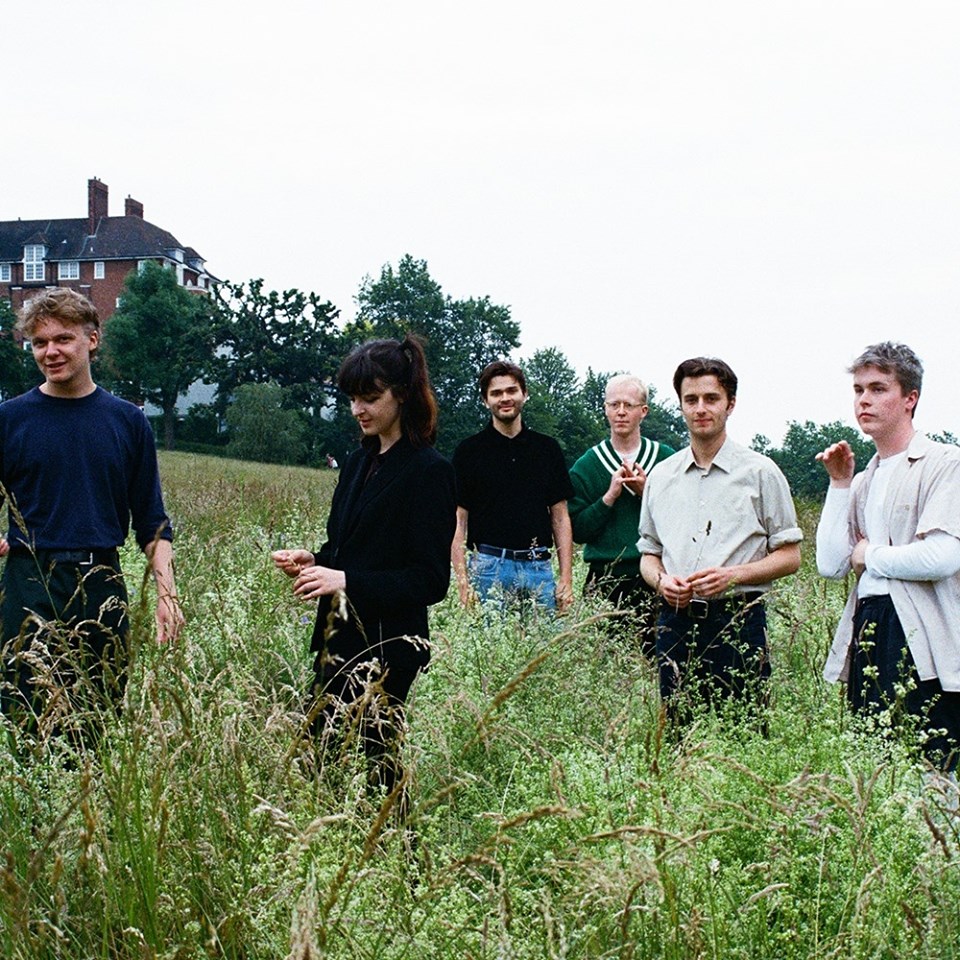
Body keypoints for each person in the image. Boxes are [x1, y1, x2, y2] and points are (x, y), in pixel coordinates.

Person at [272, 336, 455, 793]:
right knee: (318, 761)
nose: (358, 408)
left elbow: (431, 580)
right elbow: (348, 547)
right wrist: (314, 558)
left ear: (404, 394)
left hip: (390, 644)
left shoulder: (430, 471)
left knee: (380, 767)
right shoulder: (357, 462)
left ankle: (401, 855)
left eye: (370, 397)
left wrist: (346, 579)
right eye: (353, 398)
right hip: (337, 634)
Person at [0, 288, 182, 736]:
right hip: (27, 583)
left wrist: (167, 596)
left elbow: (152, 521)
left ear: (92, 340)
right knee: (24, 724)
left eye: (62, 339)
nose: (50, 352)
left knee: (95, 725)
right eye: (39, 343)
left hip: (101, 584)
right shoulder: (9, 419)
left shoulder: (127, 422)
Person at [816, 342, 960, 773]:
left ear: (910, 398)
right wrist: (840, 486)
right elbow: (830, 564)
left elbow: (942, 556)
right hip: (870, 621)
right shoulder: (865, 478)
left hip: (925, 633)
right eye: (858, 389)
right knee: (875, 769)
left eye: (878, 389)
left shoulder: (944, 463)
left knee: (932, 768)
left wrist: (869, 554)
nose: (864, 400)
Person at [638, 357, 802, 719]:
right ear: (679, 404)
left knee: (744, 731)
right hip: (674, 620)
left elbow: (790, 556)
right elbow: (648, 555)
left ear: (731, 404)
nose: (700, 408)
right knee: (678, 733)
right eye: (691, 399)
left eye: (711, 398)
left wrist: (732, 576)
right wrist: (663, 581)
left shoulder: (761, 472)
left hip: (738, 619)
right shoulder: (661, 477)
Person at [451, 360, 574, 611]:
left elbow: (560, 517)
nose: (505, 398)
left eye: (511, 390)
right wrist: (463, 581)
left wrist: (566, 579)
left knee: (545, 648)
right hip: (487, 568)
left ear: (524, 394)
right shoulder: (468, 452)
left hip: (538, 566)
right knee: (490, 649)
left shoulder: (547, 450)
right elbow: (458, 521)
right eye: (496, 393)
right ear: (486, 400)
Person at [569, 374, 676, 651]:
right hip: (605, 578)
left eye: (628, 405)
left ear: (643, 411)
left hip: (656, 577)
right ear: (604, 408)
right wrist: (609, 497)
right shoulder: (588, 464)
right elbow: (578, 530)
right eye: (614, 404)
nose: (620, 412)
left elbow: (684, 523)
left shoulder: (666, 459)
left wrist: (646, 493)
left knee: (660, 662)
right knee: (604, 666)